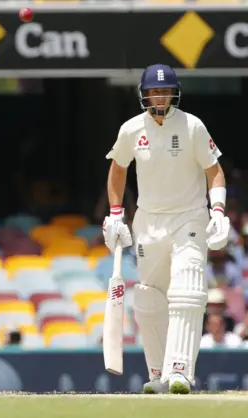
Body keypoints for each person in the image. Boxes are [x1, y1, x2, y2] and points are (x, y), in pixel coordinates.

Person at [102, 64, 230, 395]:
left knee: (187, 288)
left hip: (189, 216)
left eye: (165, 91)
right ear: (144, 94)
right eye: (154, 91)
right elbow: (118, 169)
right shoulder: (131, 129)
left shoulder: (192, 126)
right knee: (148, 296)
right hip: (149, 220)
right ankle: (158, 374)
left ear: (175, 93)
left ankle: (180, 372)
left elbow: (214, 171)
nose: (160, 96)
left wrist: (217, 210)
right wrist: (116, 214)